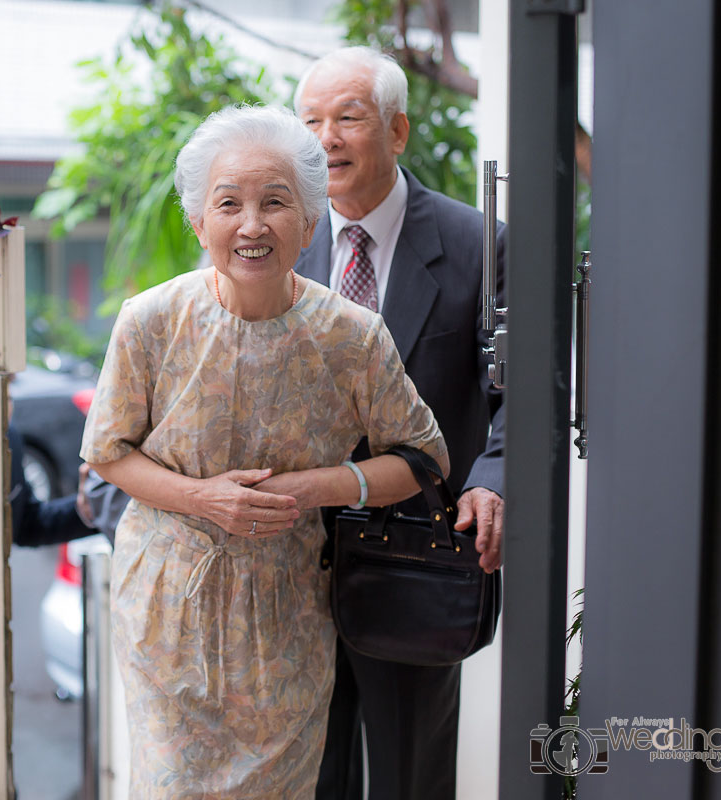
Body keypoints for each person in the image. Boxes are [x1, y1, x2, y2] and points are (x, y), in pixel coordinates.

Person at [80, 105, 449, 800]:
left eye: (275, 203)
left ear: (310, 223)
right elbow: (107, 452)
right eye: (229, 204)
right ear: (199, 221)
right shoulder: (153, 321)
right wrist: (202, 498)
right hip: (167, 610)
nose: (252, 226)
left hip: (287, 616)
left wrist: (314, 488)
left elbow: (424, 460)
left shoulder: (352, 336)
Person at [292, 46, 507, 800]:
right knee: (311, 776)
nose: (326, 139)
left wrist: (495, 481)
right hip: (295, 560)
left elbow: (522, 393)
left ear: (398, 130)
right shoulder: (281, 243)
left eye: (348, 118)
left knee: (412, 776)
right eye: (311, 121)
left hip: (417, 553)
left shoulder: (483, 245)